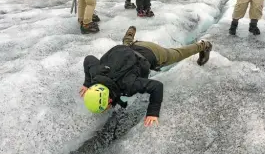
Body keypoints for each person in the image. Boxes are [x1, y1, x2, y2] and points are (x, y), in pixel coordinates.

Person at [80, 26, 213, 126]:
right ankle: (130, 34)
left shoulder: (128, 84)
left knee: (178, 54)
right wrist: (87, 83)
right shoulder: (95, 73)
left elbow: (157, 87)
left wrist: (152, 113)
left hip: (153, 53)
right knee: (126, 45)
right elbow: (89, 59)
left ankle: (204, 45)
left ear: (109, 101)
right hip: (131, 48)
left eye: (103, 109)